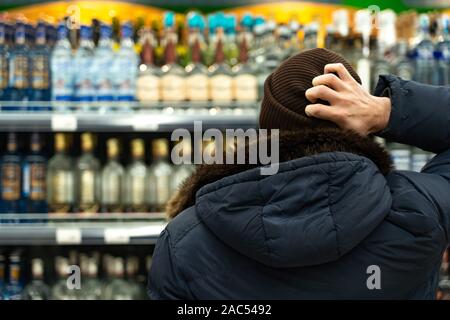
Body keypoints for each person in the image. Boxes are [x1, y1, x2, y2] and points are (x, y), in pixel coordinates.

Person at [148, 48, 450, 299]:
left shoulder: (186, 240)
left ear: (267, 133)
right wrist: (387, 111)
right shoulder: (418, 213)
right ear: (361, 125)